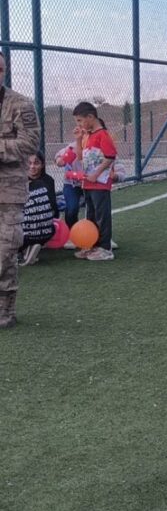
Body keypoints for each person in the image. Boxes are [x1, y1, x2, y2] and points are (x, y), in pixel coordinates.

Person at [0, 55, 41, 328]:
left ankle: (4, 312)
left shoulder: (21, 104)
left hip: (9, 191)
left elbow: (31, 141)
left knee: (5, 250)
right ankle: (4, 313)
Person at [73, 102, 116, 261]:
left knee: (101, 214)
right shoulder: (87, 135)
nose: (79, 124)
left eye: (80, 120)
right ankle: (90, 244)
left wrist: (96, 174)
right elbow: (80, 157)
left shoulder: (103, 135)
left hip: (100, 183)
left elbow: (110, 157)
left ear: (90, 117)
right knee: (90, 214)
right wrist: (78, 139)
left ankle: (105, 248)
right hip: (88, 183)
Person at [20, 152, 58, 266]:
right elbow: (54, 208)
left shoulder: (19, 182)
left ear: (42, 164)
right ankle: (30, 247)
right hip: (47, 232)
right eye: (29, 163)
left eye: (36, 163)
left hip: (25, 232)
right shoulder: (49, 180)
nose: (32, 166)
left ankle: (21, 252)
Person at [54, 138, 83, 232]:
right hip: (71, 184)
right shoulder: (72, 147)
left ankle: (102, 237)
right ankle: (72, 232)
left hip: (92, 183)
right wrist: (60, 160)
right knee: (72, 209)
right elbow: (58, 157)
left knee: (98, 210)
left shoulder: (96, 147)